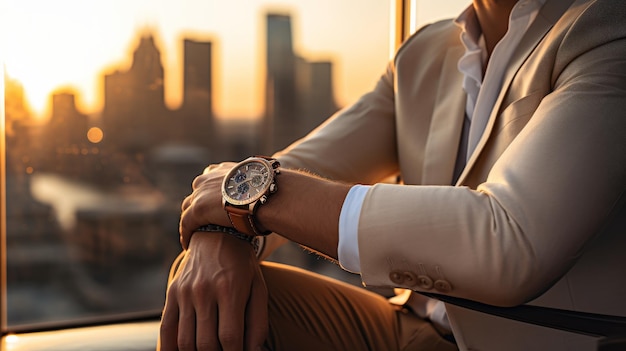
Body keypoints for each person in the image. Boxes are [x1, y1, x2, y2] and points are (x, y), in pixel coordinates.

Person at [158, 0, 626, 350]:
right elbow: (308, 163)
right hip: (411, 329)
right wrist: (225, 231)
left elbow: (512, 242)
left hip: (541, 342)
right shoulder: (423, 53)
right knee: (206, 285)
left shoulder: (606, 28)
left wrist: (253, 198)